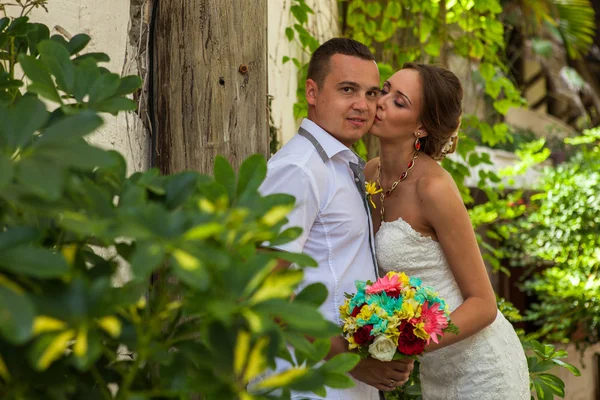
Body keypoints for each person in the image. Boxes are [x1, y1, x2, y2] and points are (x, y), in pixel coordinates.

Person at [260, 38, 414, 399]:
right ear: (312, 92)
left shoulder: (341, 165)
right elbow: (265, 288)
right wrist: (354, 361)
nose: (362, 105)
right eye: (347, 90)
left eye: (372, 93)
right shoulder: (298, 169)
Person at [366, 63, 530, 399]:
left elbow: (483, 304)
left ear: (422, 128)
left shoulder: (434, 188)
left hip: (483, 368)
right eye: (384, 89)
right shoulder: (371, 173)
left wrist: (410, 344)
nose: (381, 101)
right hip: (438, 371)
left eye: (399, 101)